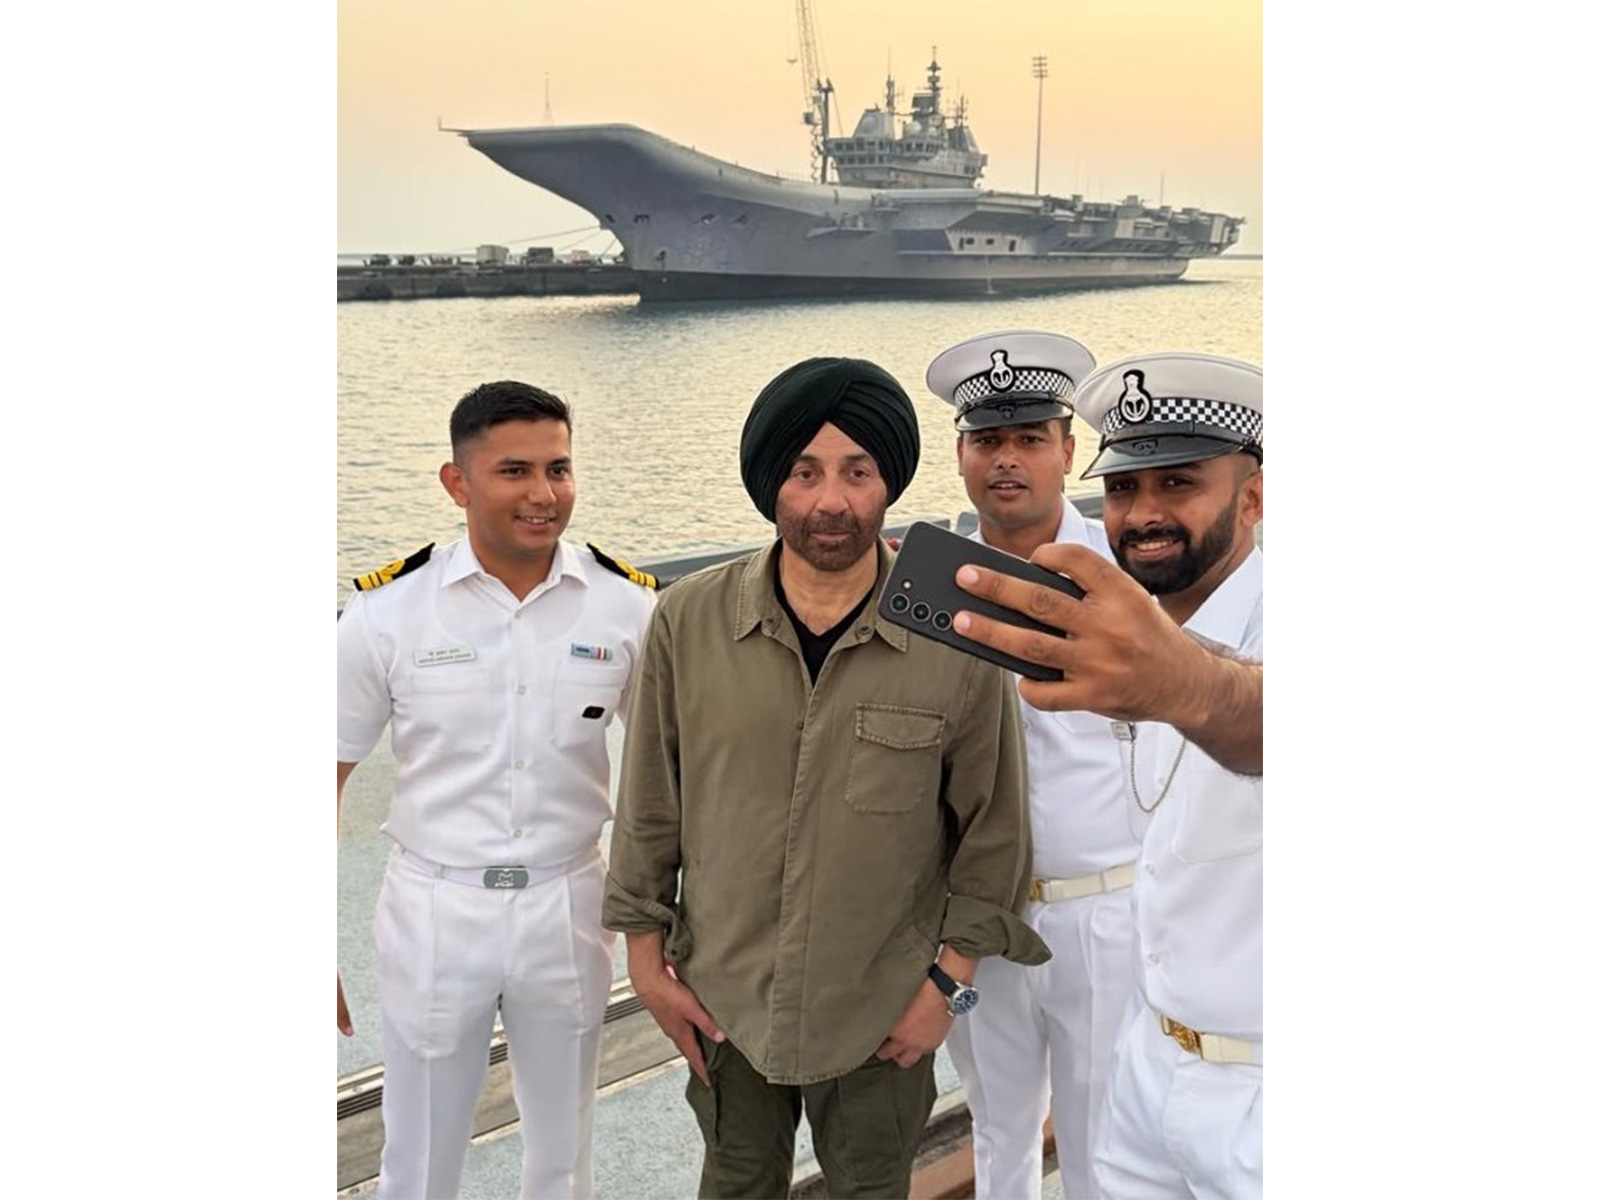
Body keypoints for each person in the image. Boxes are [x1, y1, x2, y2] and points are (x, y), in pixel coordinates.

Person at [601, 357, 1050, 1200]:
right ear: (772, 482)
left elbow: (993, 827)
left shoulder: (954, 633)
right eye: (804, 473)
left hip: (882, 1006)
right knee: (734, 1184)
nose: (830, 501)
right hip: (725, 999)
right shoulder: (688, 620)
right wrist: (646, 966)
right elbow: (650, 803)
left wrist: (946, 990)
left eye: (858, 471)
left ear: (890, 483)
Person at [951, 352, 1264, 1198]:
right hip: (1103, 996)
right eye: (1125, 488)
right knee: (1004, 1131)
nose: (1145, 513)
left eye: (1178, 485)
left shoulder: (1137, 600)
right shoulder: (942, 579)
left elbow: (1252, 712)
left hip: (1223, 1046)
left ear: (1253, 498)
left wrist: (1186, 684)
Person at [336, 380, 656, 1200]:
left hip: (568, 902)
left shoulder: (626, 607)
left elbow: (671, 768)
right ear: (457, 482)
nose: (544, 495)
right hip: (438, 909)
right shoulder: (387, 616)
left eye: (560, 468)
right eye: (515, 471)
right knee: (419, 1159)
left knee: (563, 1156)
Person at [923, 330, 1140, 1200]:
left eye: (1028, 439)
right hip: (982, 921)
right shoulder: (924, 587)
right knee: (998, 1129)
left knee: (1102, 1142)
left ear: (1068, 450)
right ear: (962, 456)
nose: (1006, 461)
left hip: (1106, 915)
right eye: (988, 440)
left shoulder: (1129, 580)